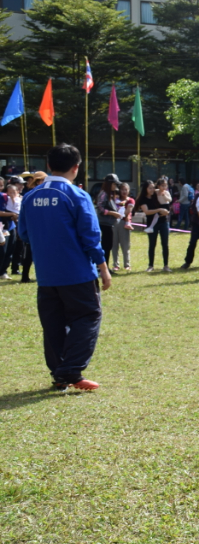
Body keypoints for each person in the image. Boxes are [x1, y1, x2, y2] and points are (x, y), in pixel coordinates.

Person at [18, 144, 110, 391]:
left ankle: (59, 374)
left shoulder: (30, 197)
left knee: (53, 324)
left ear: (48, 165)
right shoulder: (77, 195)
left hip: (46, 274)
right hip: (77, 272)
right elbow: (90, 236)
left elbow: (24, 234)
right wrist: (103, 267)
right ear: (76, 167)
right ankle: (70, 370)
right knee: (88, 316)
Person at [136, 180, 172, 272]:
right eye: (150, 188)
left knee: (165, 244)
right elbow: (147, 212)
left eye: (153, 187)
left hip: (164, 221)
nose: (152, 189)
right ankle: (150, 266)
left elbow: (166, 203)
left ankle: (166, 266)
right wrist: (159, 209)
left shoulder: (156, 194)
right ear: (145, 189)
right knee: (152, 244)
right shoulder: (143, 199)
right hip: (152, 224)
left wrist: (167, 212)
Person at [0, 176, 23, 280]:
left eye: (1, 185)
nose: (0, 187)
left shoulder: (6, 196)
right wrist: (12, 214)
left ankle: (4, 271)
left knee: (10, 250)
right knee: (2, 250)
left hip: (10, 226)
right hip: (1, 227)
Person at [95, 174, 121, 263]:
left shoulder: (110, 194)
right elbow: (100, 208)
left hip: (109, 224)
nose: (115, 186)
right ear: (109, 184)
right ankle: (102, 266)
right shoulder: (104, 194)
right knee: (105, 246)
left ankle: (106, 265)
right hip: (104, 224)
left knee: (108, 246)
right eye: (114, 184)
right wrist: (112, 213)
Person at [111, 182, 135, 271]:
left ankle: (127, 264)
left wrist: (121, 207)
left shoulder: (130, 200)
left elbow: (127, 212)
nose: (124, 191)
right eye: (122, 189)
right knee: (114, 245)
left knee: (125, 245)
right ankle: (115, 264)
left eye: (126, 190)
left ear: (128, 191)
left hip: (124, 223)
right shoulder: (114, 200)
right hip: (114, 223)